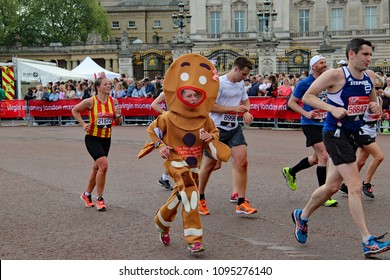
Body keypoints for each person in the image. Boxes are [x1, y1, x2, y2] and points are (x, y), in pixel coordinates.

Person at [292, 38, 390, 257]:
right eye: (365, 54)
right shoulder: (336, 75)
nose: (369, 58)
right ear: (351, 54)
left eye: (370, 55)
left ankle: (302, 215)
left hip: (353, 134)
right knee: (354, 186)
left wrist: (375, 106)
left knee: (331, 187)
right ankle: (367, 241)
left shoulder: (369, 77)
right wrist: (331, 108)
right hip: (335, 134)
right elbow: (308, 97)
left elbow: (375, 108)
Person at [138, 54, 230, 253]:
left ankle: (161, 220)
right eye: (189, 95)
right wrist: (160, 145)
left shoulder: (204, 118)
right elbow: (152, 131)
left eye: (196, 95)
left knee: (182, 195)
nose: (193, 98)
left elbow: (215, 133)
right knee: (191, 193)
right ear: (180, 95)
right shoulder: (168, 116)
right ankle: (194, 239)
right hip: (174, 160)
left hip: (194, 163)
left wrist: (209, 138)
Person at [198, 56, 257, 216]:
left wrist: (246, 112)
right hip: (216, 129)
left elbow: (245, 101)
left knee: (242, 162)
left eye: (246, 76)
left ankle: (241, 202)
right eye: (243, 74)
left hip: (234, 129)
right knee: (210, 166)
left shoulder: (240, 83)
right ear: (236, 69)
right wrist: (233, 109)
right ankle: (199, 197)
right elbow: (210, 106)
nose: (245, 78)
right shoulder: (219, 83)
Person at [283, 55, 338, 207]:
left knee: (315, 159)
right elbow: (291, 102)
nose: (325, 64)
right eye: (321, 62)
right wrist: (306, 113)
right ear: (313, 66)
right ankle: (324, 195)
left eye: (325, 62)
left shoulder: (329, 81)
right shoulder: (304, 83)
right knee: (324, 156)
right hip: (310, 123)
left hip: (326, 123)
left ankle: (291, 171)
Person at [71, 77, 122, 211]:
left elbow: (119, 122)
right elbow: (75, 110)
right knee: (103, 166)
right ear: (98, 87)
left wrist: (118, 115)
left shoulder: (114, 101)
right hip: (92, 138)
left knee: (97, 168)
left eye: (109, 84)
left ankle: (86, 195)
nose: (108, 86)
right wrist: (83, 124)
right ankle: (100, 199)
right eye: (105, 84)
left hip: (106, 138)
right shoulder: (90, 101)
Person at [339, 73, 388, 198]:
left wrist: (383, 116)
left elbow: (379, 114)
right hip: (362, 129)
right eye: (375, 88)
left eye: (379, 88)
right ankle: (367, 183)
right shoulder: (364, 98)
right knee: (379, 156)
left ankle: (345, 185)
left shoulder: (379, 99)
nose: (377, 91)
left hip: (372, 129)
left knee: (360, 162)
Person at [150, 91, 173, 191]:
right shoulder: (167, 92)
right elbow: (154, 104)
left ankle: (164, 177)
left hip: (183, 123)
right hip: (171, 124)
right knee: (176, 151)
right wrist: (165, 113)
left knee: (176, 152)